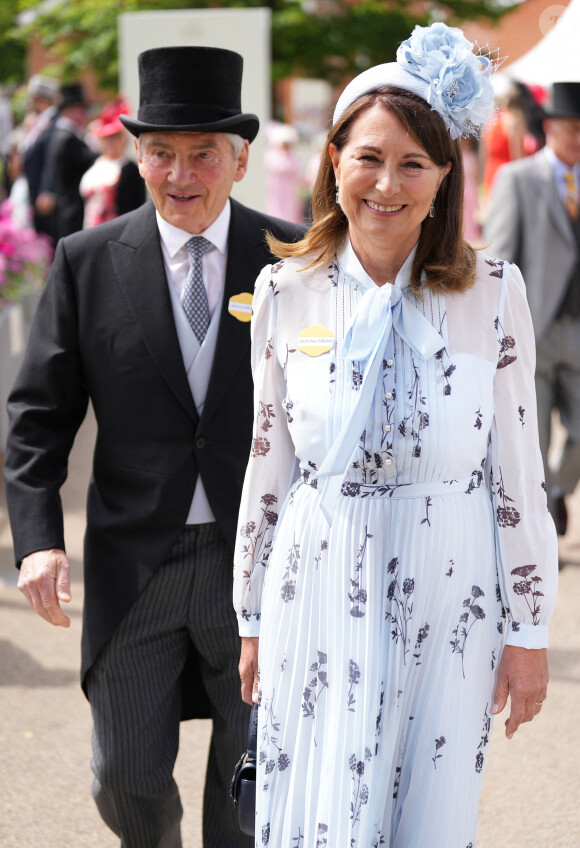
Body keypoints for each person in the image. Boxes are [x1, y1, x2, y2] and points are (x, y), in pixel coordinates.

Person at [234, 22, 558, 848]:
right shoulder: (284, 289)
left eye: (414, 162)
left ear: (445, 175)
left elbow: (519, 473)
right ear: (333, 159)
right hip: (317, 584)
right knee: (323, 818)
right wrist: (250, 614)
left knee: (428, 819)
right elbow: (268, 463)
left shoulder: (493, 291)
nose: (387, 183)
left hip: (452, 593)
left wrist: (528, 632)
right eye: (368, 157)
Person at [3, 46, 304, 848]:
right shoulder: (87, 262)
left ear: (239, 159)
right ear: (137, 156)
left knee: (255, 781)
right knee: (123, 778)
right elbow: (36, 417)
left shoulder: (297, 259)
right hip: (136, 564)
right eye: (161, 151)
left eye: (203, 152)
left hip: (260, 565)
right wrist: (37, 541)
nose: (182, 172)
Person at [484, 82, 580, 544]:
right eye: (572, 127)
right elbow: (500, 258)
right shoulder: (517, 179)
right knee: (533, 438)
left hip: (579, 330)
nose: (578, 136)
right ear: (552, 127)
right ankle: (537, 534)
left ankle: (558, 490)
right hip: (533, 329)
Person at [80, 97, 145, 228]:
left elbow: (136, 207)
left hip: (117, 231)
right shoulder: (95, 163)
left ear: (123, 138)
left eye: (115, 137)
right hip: (90, 230)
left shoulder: (130, 169)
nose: (110, 142)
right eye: (107, 138)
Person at [48, 82, 98, 240]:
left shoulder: (65, 134)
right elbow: (91, 160)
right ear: (70, 111)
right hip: (72, 208)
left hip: (68, 206)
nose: (86, 115)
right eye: (82, 110)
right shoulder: (67, 138)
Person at [20, 74, 60, 241]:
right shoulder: (38, 123)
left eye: (33, 98)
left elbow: (53, 158)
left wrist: (48, 190)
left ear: (42, 100)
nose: (29, 103)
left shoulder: (54, 123)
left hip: (45, 196)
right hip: (34, 191)